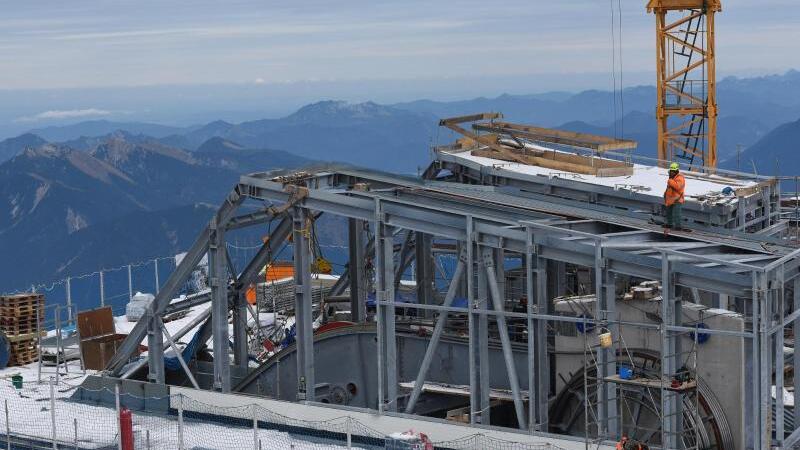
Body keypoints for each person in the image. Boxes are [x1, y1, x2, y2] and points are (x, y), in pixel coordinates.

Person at [664, 162, 686, 230]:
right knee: (669, 212)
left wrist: (670, 181)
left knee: (677, 213)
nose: (672, 172)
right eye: (671, 171)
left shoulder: (680, 178)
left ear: (676, 171)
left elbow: (678, 187)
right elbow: (669, 188)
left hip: (677, 199)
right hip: (670, 199)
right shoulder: (672, 178)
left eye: (673, 171)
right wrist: (665, 194)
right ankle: (669, 224)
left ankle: (678, 226)